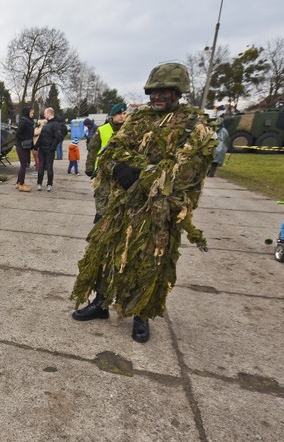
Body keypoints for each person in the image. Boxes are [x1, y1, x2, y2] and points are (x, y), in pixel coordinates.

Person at [70, 62, 216, 343]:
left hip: (159, 211)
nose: (158, 96)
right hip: (122, 205)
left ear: (178, 92)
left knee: (149, 262)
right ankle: (100, 304)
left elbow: (185, 172)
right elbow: (113, 152)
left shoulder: (194, 127)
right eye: (154, 91)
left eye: (165, 91)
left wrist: (139, 173)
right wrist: (119, 169)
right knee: (104, 253)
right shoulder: (138, 120)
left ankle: (141, 315)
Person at [85, 102, 128, 222]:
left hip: (123, 170)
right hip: (104, 170)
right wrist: (89, 167)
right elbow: (93, 149)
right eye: (119, 114)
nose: (122, 116)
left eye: (124, 113)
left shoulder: (129, 129)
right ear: (112, 116)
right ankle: (100, 216)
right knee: (102, 194)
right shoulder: (102, 130)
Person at [35, 107, 64, 192]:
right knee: (41, 166)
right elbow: (41, 137)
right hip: (42, 149)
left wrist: (53, 147)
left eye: (45, 113)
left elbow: (58, 137)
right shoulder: (46, 124)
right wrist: (36, 146)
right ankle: (39, 183)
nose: (44, 115)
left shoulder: (55, 124)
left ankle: (49, 184)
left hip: (49, 149)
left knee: (49, 167)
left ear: (49, 114)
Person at [15, 106, 34, 192]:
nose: (32, 114)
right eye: (31, 113)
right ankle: (21, 185)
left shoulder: (29, 122)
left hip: (26, 145)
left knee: (23, 164)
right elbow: (18, 133)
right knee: (23, 165)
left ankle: (18, 182)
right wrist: (25, 140)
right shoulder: (23, 122)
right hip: (21, 145)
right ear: (27, 112)